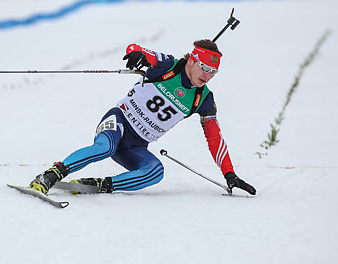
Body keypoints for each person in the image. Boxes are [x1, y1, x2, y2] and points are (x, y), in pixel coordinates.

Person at [27, 37, 256, 197]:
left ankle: (99, 185)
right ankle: (49, 176)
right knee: (104, 148)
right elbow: (137, 49)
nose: (208, 76)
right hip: (119, 122)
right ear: (193, 60)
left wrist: (229, 173)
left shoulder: (203, 98)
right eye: (205, 68)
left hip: (135, 146)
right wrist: (136, 55)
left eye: (214, 72)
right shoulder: (168, 66)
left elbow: (215, 139)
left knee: (156, 172)